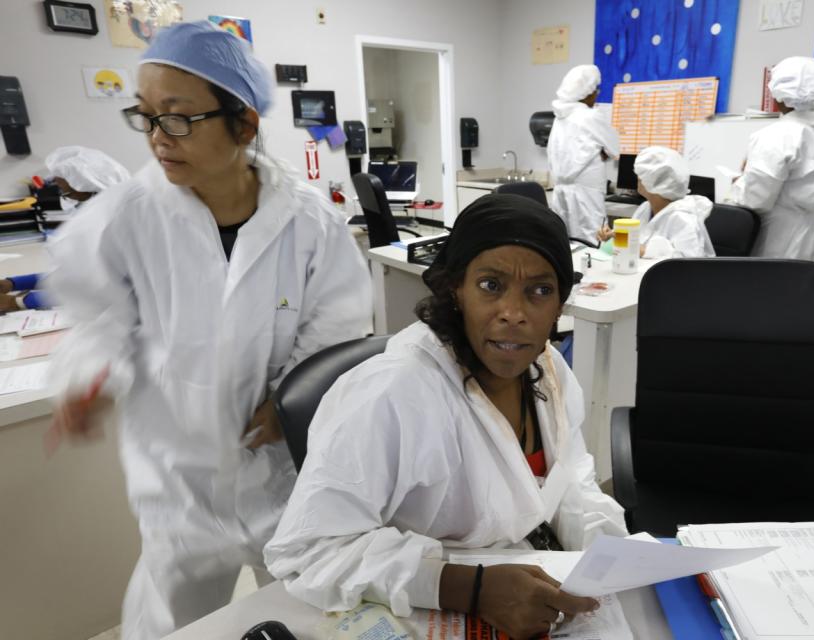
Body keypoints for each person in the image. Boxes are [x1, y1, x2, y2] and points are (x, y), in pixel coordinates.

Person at [46, 21, 372, 640]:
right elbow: (96, 319)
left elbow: (336, 329)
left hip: (279, 475)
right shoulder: (126, 218)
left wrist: (287, 401)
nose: (157, 139)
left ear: (243, 124)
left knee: (306, 613)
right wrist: (87, 378)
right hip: (178, 479)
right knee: (172, 625)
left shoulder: (308, 224)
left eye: (177, 118)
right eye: (145, 117)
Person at [265, 193, 627, 640]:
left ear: (560, 304)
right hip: (419, 603)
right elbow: (307, 550)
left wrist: (608, 557)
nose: (513, 314)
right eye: (491, 285)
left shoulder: (550, 372)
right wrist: (469, 589)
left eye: (539, 290)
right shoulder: (394, 393)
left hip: (521, 576)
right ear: (456, 289)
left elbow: (572, 479)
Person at [728, 56, 814, 261]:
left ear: (778, 96)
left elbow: (756, 200)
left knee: (770, 287)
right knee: (802, 286)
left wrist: (739, 182)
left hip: (782, 232)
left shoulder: (778, 134)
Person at [0, 147, 131, 314]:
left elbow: (98, 290)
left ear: (89, 186)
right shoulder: (101, 215)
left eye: (67, 193)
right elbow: (74, 274)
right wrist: (14, 283)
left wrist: (18, 302)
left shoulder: (115, 226)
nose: (65, 199)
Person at [599, 146, 715, 258]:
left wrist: (645, 251)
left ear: (655, 182)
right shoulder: (646, 207)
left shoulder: (683, 219)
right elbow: (637, 239)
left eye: (642, 175)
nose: (638, 178)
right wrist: (614, 235)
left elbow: (688, 264)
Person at [547, 64, 620, 243]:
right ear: (587, 92)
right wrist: (602, 152)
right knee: (594, 240)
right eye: (596, 90)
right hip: (587, 191)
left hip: (561, 190)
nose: (596, 95)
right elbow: (615, 149)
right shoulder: (590, 116)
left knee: (564, 241)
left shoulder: (560, 117)